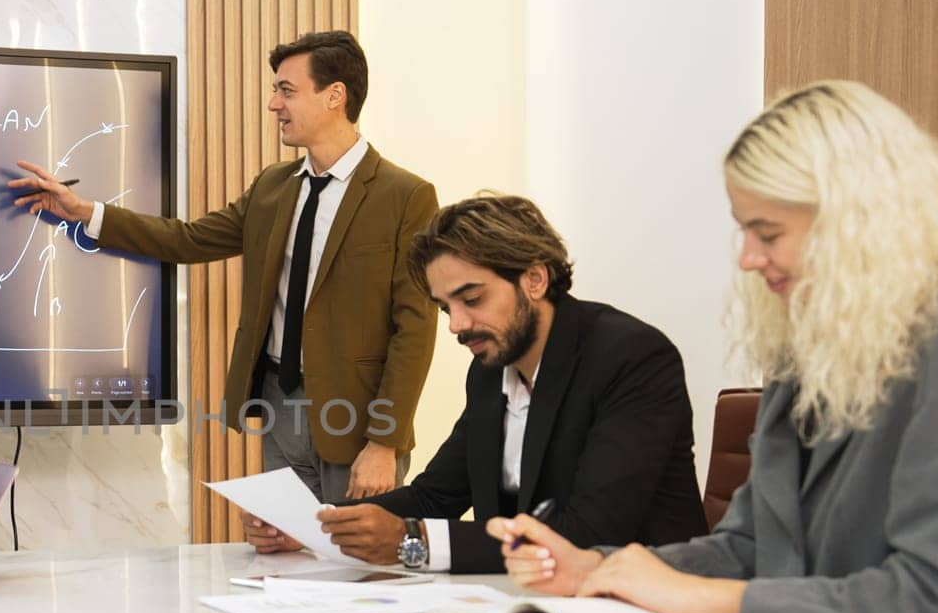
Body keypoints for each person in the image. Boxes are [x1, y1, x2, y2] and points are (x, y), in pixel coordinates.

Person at [495, 81, 938, 613]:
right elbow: (750, 547)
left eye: (768, 234)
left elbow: (936, 601)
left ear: (860, 221)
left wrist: (698, 599)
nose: (747, 258)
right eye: (745, 231)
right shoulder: (815, 349)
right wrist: (595, 569)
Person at [11, 30, 438, 504]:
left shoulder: (406, 196)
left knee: (358, 562)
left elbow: (415, 329)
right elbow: (188, 239)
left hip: (356, 418)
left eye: (286, 90)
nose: (273, 104)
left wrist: (385, 441)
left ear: (335, 95)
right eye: (275, 90)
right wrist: (87, 212)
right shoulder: (274, 187)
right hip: (278, 403)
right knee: (288, 556)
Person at [252, 194, 708, 572]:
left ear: (534, 278)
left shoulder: (631, 358)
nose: (458, 325)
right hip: (524, 611)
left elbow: (588, 535)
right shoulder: (491, 371)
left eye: (471, 299)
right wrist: (318, 525)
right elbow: (438, 494)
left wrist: (416, 541)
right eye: (446, 307)